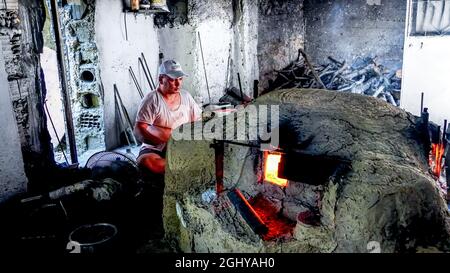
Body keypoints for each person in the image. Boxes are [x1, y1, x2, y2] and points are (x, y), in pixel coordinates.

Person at [134, 59, 202, 175]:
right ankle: (182, 167)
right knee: (147, 162)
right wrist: (163, 140)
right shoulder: (152, 99)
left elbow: (198, 121)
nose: (178, 84)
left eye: (180, 79)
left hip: (181, 146)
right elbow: (138, 130)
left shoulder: (186, 96)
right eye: (172, 80)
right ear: (161, 79)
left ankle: (180, 166)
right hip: (156, 148)